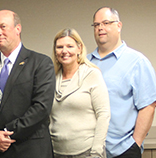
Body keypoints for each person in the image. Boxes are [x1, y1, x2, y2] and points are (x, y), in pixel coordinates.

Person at [0, 10, 55, 157]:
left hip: (29, 149)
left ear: (18, 28)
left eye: (3, 27)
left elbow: (41, 107)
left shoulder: (40, 63)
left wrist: (5, 133)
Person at [88, 7, 156, 158]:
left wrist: (135, 144)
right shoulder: (85, 62)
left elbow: (148, 106)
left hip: (122, 150)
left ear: (119, 25)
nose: (100, 28)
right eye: (96, 25)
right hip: (89, 150)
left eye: (106, 23)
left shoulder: (137, 62)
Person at [50, 28, 110, 158]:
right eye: (60, 47)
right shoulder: (52, 78)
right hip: (57, 152)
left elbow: (103, 114)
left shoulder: (92, 74)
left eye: (70, 46)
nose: (64, 51)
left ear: (79, 48)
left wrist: (96, 152)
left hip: (87, 152)